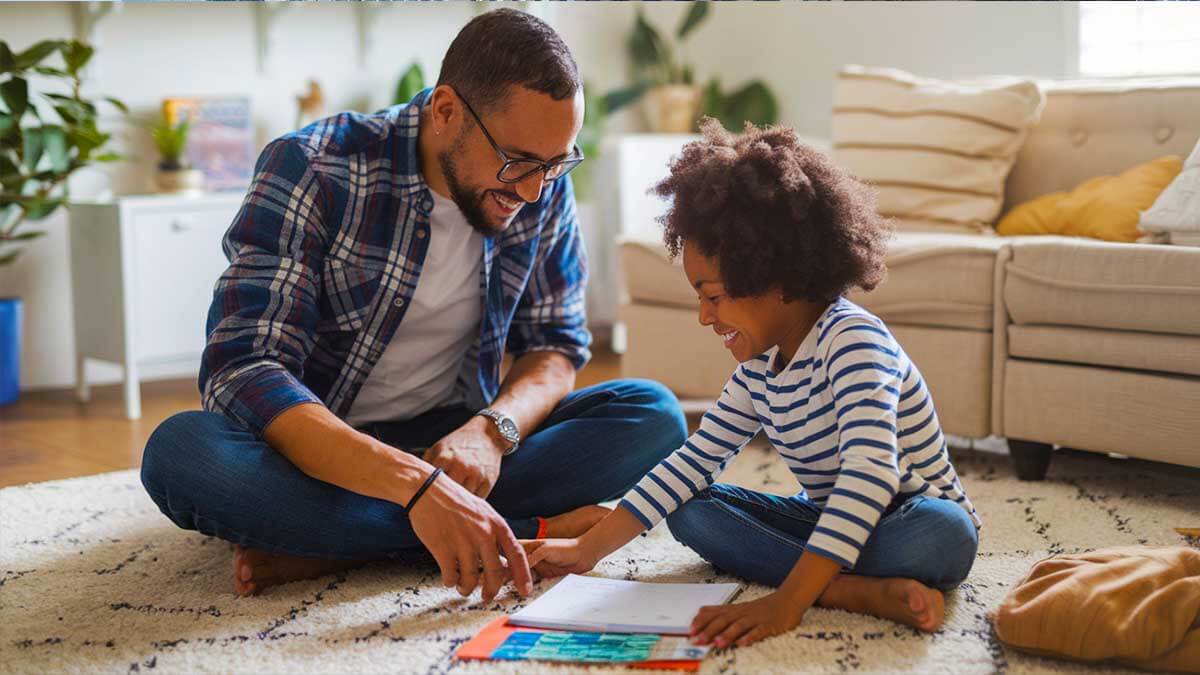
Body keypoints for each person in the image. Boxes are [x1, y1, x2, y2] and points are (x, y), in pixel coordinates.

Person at [139, 8, 686, 601]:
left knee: (652, 414)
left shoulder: (539, 186)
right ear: (446, 111)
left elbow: (555, 343)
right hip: (319, 452)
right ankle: (517, 531)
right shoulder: (313, 168)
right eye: (520, 162)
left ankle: (339, 543)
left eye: (556, 164)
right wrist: (417, 487)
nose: (533, 190)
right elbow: (244, 369)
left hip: (453, 440)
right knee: (182, 454)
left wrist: (491, 431)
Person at [525, 120, 981, 647]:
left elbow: (871, 477)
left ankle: (813, 586)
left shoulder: (853, 340)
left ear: (777, 279)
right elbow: (691, 464)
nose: (703, 317)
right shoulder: (757, 371)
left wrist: (785, 605)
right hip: (834, 524)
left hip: (911, 518)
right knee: (691, 509)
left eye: (712, 296)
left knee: (943, 536)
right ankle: (849, 590)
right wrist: (587, 552)